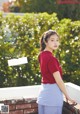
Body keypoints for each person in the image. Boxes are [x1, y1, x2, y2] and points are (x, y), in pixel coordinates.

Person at [37, 30, 76, 114]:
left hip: (42, 96)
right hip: (53, 97)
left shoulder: (41, 55)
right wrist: (68, 96)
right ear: (46, 41)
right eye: (52, 40)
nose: (55, 43)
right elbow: (59, 80)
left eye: (57, 40)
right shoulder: (52, 59)